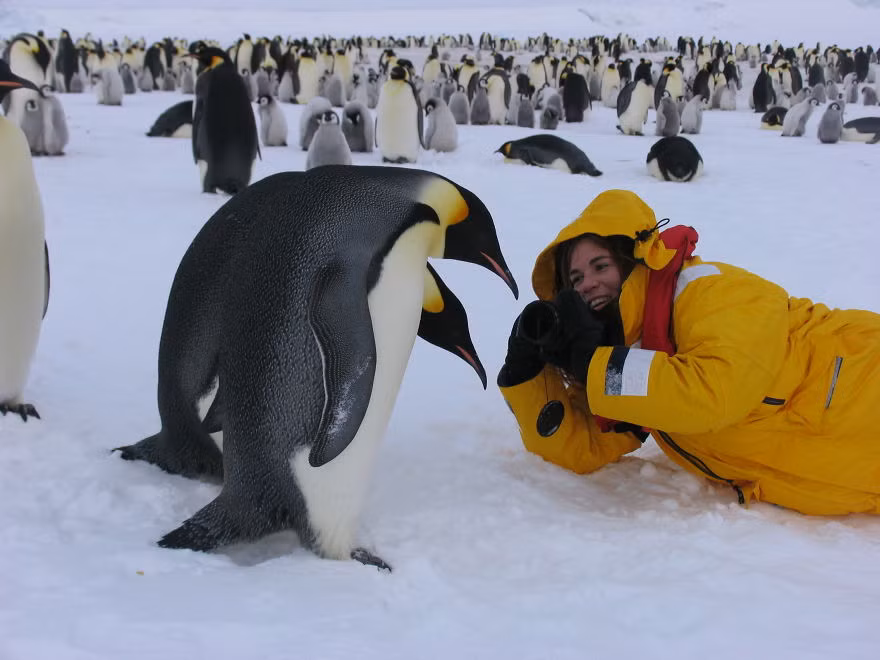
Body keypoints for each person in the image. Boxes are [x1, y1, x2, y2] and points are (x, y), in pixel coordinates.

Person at [498, 189, 880, 515]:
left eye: (601, 266)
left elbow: (715, 391)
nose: (588, 284)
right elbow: (580, 449)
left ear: (633, 259)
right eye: (576, 279)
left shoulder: (710, 291)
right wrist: (527, 371)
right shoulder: (634, 360)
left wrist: (595, 366)